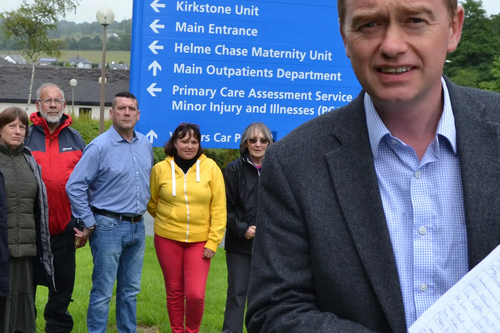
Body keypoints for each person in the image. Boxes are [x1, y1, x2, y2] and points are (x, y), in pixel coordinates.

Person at [245, 0, 500, 332]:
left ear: (454, 28)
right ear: (344, 36)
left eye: (415, 20)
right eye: (369, 24)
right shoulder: (294, 164)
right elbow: (275, 312)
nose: (392, 46)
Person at [66, 92, 153, 333]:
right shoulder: (99, 146)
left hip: (137, 226)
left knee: (130, 291)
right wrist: (89, 222)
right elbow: (74, 185)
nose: (127, 112)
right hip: (108, 227)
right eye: (122, 108)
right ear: (111, 113)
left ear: (138, 114)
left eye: (131, 108)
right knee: (103, 291)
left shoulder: (145, 144)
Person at [147, 123, 226, 333]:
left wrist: (213, 240)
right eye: (184, 141)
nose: (189, 146)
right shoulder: (160, 169)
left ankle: (192, 330)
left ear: (199, 144)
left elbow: (219, 207)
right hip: (167, 238)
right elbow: (152, 202)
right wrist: (169, 218)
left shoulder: (211, 168)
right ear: (175, 143)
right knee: (174, 291)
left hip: (200, 242)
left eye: (194, 142)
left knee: (195, 294)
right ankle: (176, 330)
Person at [25, 82, 86, 333]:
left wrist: (82, 224)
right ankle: (23, 326)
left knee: (62, 287)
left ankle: (58, 328)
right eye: (47, 100)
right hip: (29, 230)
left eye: (57, 101)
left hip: (64, 229)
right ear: (38, 106)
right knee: (26, 286)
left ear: (64, 105)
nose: (52, 105)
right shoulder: (25, 136)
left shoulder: (76, 139)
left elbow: (86, 185)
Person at [0, 107, 54, 333]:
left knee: (23, 309)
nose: (17, 131)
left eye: (22, 127)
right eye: (11, 126)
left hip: (26, 251)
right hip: (3, 250)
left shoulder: (30, 161)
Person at [221, 123, 273, 333]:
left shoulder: (278, 167)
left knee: (266, 297)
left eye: (263, 140)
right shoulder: (233, 170)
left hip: (270, 245)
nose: (258, 144)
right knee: (236, 294)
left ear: (270, 143)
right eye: (253, 140)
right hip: (239, 245)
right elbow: (225, 208)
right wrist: (244, 229)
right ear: (245, 143)